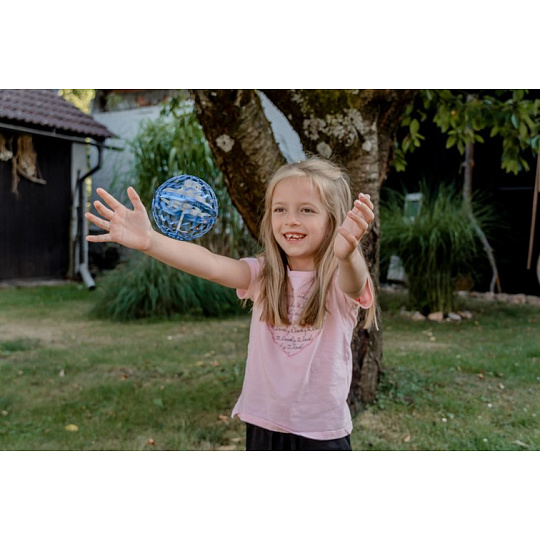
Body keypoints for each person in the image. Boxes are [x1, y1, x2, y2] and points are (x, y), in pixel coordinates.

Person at [86, 156, 377, 451]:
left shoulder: (338, 279)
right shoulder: (264, 275)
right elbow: (212, 265)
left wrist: (347, 255)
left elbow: (354, 283)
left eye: (307, 210)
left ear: (333, 221)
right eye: (280, 209)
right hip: (263, 424)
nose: (291, 219)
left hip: (321, 432)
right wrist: (151, 241)